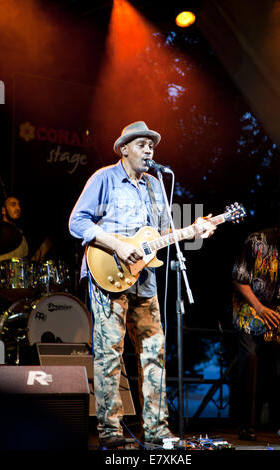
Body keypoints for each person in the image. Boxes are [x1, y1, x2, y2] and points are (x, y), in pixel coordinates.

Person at [69, 121, 216, 449]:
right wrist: (117, 244)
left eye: (152, 145)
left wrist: (193, 231)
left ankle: (158, 430)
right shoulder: (104, 178)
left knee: (154, 353)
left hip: (144, 282)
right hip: (108, 276)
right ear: (124, 149)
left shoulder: (156, 187)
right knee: (110, 355)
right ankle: (110, 432)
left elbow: (163, 236)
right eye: (142, 144)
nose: (149, 149)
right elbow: (76, 221)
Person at [232, 210, 280, 440]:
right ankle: (246, 425)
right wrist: (260, 308)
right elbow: (239, 280)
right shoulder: (256, 242)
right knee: (250, 359)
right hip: (251, 311)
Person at [0, 196, 52, 262]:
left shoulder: (21, 233)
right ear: (3, 210)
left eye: (19, 205)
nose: (18, 208)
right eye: (13, 205)